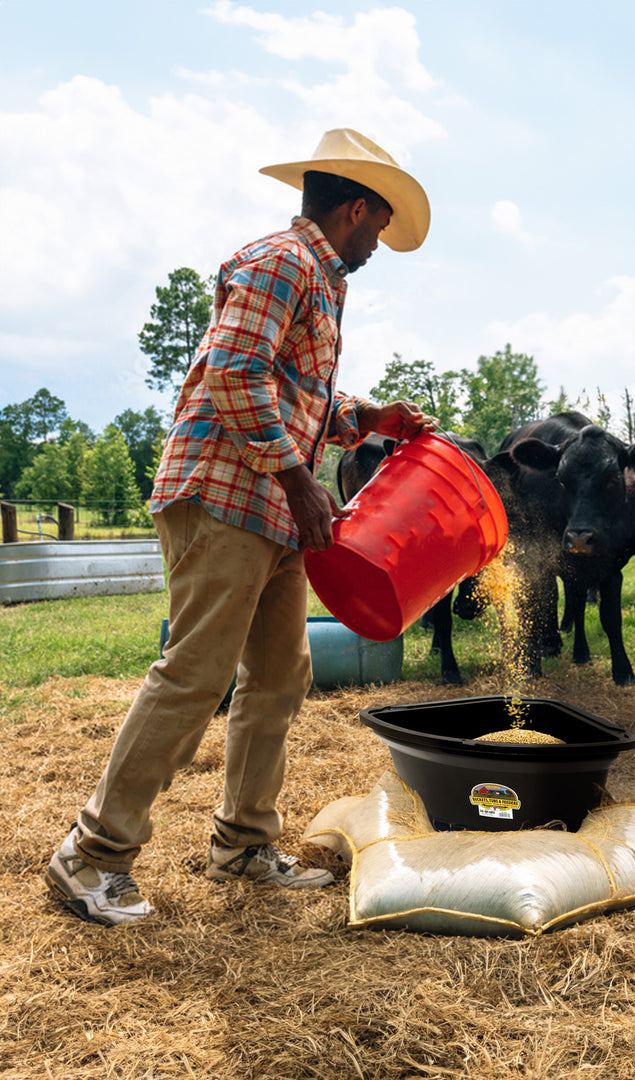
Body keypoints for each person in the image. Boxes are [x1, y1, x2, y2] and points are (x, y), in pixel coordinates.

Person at [46, 128, 437, 926]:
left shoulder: (321, 284)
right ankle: (91, 854)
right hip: (229, 494)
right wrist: (300, 483)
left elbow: (294, 394)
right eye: (379, 225)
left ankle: (244, 841)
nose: (379, 244)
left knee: (279, 675)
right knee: (195, 673)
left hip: (273, 508)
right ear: (355, 209)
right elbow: (233, 371)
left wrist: (371, 418)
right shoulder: (282, 261)